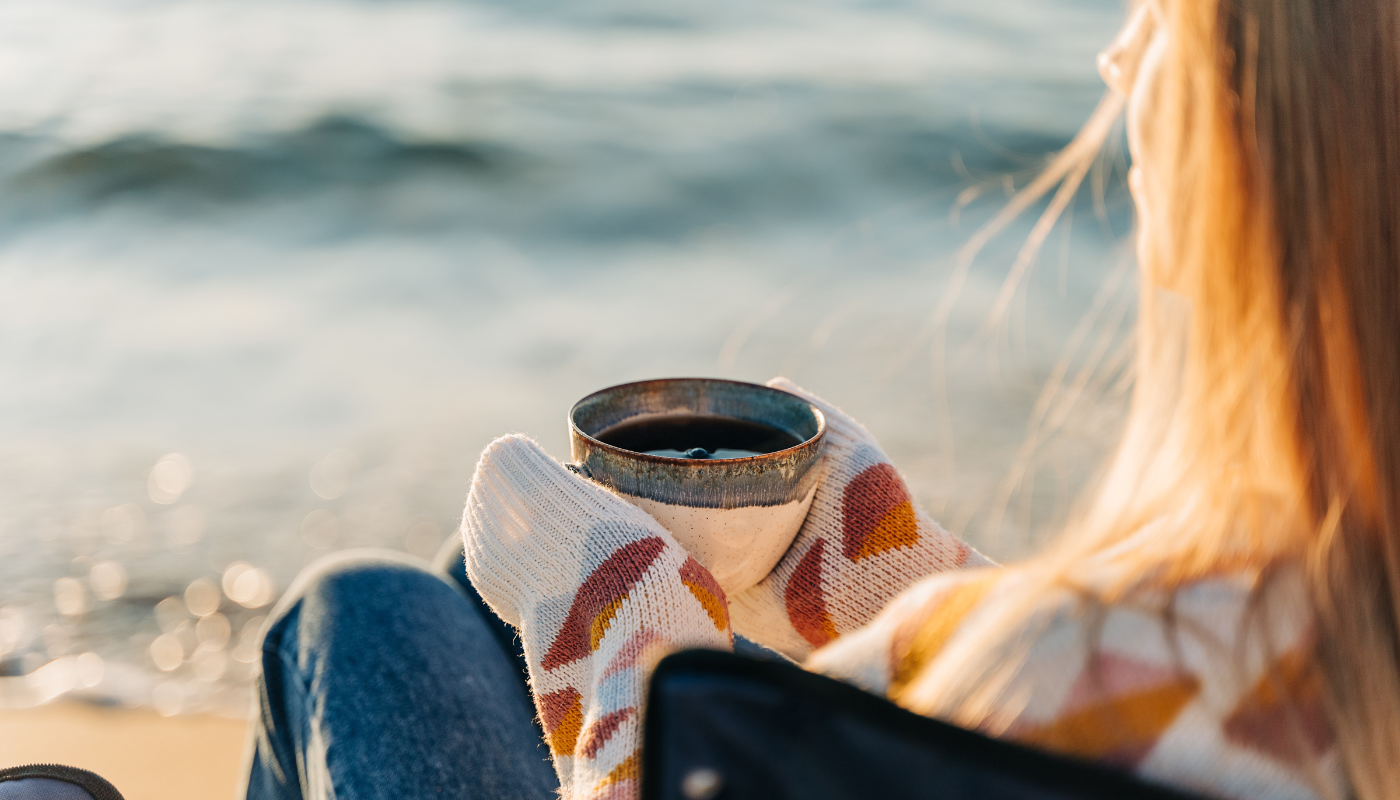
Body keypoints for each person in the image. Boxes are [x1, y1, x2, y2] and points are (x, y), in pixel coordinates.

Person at [245, 1, 1400, 798]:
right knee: (462, 589)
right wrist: (901, 586)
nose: (1114, 61)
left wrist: (619, 643)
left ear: (1251, 135)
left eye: (1156, 21)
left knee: (365, 611)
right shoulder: (1311, 636)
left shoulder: (1065, 669)